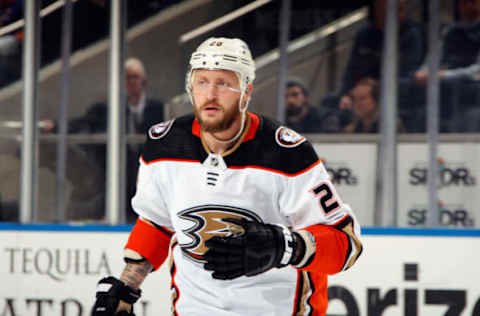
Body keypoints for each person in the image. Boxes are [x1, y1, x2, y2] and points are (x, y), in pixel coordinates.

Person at [91, 37, 363, 316]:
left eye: (223, 83)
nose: (210, 94)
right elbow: (157, 223)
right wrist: (125, 287)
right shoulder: (165, 145)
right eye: (202, 82)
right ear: (190, 88)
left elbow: (346, 245)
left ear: (246, 91)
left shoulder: (287, 153)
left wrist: (282, 246)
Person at [41, 58, 164, 222]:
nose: (130, 82)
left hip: (148, 176)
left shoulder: (160, 109)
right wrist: (55, 126)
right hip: (116, 177)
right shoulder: (106, 109)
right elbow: (81, 123)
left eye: (134, 77)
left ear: (143, 81)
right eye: (126, 78)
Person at [338, 0, 424, 109]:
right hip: (363, 89)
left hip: (393, 91)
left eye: (401, 10)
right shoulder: (364, 34)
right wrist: (346, 94)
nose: (400, 14)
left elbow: (407, 74)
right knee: (331, 101)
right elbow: (351, 69)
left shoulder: (412, 35)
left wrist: (375, 88)